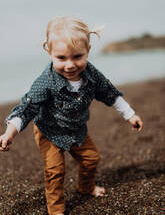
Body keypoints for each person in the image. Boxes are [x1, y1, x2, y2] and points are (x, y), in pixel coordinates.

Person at [0, 16, 143, 215]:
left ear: (88, 51)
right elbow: (27, 108)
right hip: (49, 132)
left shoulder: (92, 75)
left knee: (91, 158)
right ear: (49, 53)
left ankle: (85, 187)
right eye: (61, 58)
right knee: (55, 171)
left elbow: (109, 92)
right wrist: (9, 133)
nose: (70, 65)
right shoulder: (46, 82)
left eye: (77, 57)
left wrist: (130, 114)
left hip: (76, 129)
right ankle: (56, 209)